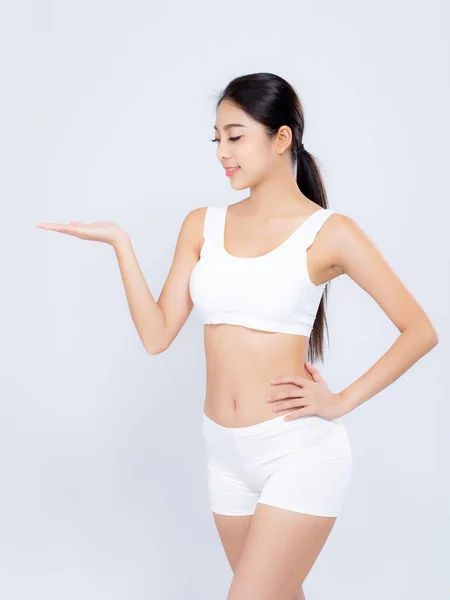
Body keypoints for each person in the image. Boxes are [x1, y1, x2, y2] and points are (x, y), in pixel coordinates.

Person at [36, 72, 439, 600]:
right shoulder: (202, 224)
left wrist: (340, 401)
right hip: (224, 456)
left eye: (235, 136)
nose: (222, 152)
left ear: (281, 138)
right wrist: (120, 244)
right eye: (217, 139)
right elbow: (157, 336)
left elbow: (420, 330)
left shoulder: (329, 232)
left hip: (297, 453)